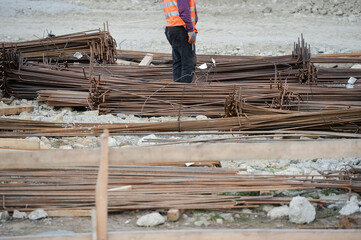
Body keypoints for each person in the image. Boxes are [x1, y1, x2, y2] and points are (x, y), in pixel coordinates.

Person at [164, 0, 198, 83]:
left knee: (178, 62)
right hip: (181, 29)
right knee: (188, 62)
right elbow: (184, 11)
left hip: (171, 28)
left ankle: (177, 90)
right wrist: (190, 30)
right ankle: (184, 91)